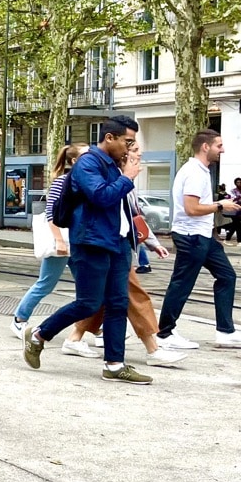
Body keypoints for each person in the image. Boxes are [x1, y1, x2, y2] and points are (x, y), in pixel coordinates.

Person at [24, 115, 151, 384]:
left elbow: (124, 207)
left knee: (118, 304)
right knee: (89, 303)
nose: (130, 147)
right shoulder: (88, 163)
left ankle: (115, 365)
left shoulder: (117, 164)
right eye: (127, 142)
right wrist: (127, 178)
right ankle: (39, 335)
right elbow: (101, 196)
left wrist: (138, 241)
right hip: (91, 241)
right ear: (110, 138)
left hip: (117, 242)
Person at [57, 142, 184, 366]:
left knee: (108, 301)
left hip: (118, 245)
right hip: (100, 246)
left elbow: (132, 216)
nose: (137, 156)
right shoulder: (101, 177)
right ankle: (152, 348)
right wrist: (60, 240)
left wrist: (151, 242)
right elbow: (67, 210)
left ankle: (79, 341)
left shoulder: (122, 179)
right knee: (131, 297)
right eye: (134, 152)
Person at [156, 129, 241, 349]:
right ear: (206, 147)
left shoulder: (202, 170)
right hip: (190, 235)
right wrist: (221, 205)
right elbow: (191, 208)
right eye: (219, 146)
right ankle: (164, 333)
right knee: (182, 283)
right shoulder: (194, 172)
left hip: (202, 236)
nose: (222, 150)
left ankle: (225, 331)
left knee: (227, 276)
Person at [9, 144, 88, 339]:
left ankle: (92, 326)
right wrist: (59, 240)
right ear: (75, 161)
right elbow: (51, 214)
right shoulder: (62, 182)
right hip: (62, 240)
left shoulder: (84, 181)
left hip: (77, 241)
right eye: (88, 156)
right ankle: (19, 320)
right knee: (45, 283)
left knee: (87, 287)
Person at [225, 177, 241, 244]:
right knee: (237, 224)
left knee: (236, 224)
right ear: (235, 183)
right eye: (237, 182)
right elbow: (231, 198)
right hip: (235, 209)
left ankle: (229, 237)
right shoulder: (233, 191)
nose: (239, 183)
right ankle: (238, 239)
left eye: (240, 182)